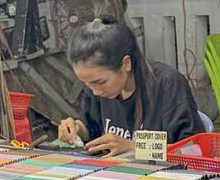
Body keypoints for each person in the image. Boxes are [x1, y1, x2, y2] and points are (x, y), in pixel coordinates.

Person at [58, 17, 204, 156]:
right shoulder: (97, 88)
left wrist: (134, 147)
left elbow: (193, 149)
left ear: (125, 64)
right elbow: (91, 128)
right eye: (87, 84)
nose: (95, 91)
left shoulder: (167, 84)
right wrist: (75, 129)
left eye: (101, 82)